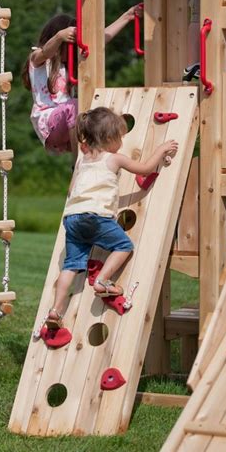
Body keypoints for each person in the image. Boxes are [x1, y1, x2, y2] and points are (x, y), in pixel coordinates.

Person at [44, 106, 179, 329]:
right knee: (124, 246)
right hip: (95, 216)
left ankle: (55, 310)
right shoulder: (114, 159)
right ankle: (102, 280)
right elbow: (145, 169)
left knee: (70, 265)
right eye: (120, 138)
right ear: (108, 138)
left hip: (71, 217)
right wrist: (162, 149)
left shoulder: (82, 160)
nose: (122, 143)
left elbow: (70, 190)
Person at [22, 6, 143, 164]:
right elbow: (45, 52)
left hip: (68, 126)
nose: (71, 51)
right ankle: (77, 164)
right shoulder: (38, 59)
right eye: (68, 46)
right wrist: (60, 36)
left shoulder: (69, 64)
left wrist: (127, 17)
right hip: (48, 124)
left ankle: (99, 158)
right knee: (74, 105)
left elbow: (99, 41)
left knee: (100, 117)